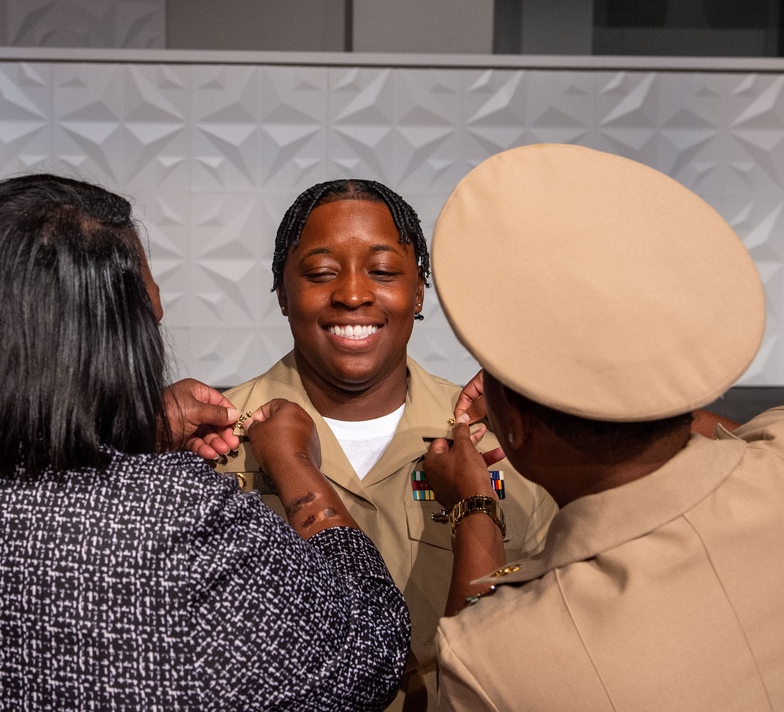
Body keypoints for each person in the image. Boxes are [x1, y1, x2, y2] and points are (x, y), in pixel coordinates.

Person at [0, 174, 410, 710]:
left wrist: (119, 430)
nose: (354, 294)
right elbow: (369, 645)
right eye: (148, 322)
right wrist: (296, 469)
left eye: (383, 271)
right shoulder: (167, 518)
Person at [423, 143, 784, 710]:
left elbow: (478, 658)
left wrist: (474, 508)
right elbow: (734, 437)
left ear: (513, 422)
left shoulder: (498, 659)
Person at [213, 179, 557, 711]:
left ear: (419, 292)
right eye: (321, 273)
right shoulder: (205, 446)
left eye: (383, 272)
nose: (352, 294)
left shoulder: (500, 443)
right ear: (281, 293)